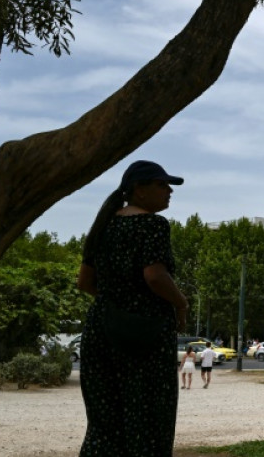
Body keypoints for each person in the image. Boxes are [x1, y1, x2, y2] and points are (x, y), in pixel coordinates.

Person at [76, 160, 189, 456]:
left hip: (100, 331)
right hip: (146, 337)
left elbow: (85, 282)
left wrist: (118, 299)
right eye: (161, 185)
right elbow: (154, 276)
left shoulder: (102, 226)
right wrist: (181, 303)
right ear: (139, 190)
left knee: (104, 427)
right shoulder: (153, 224)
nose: (168, 192)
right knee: (148, 424)